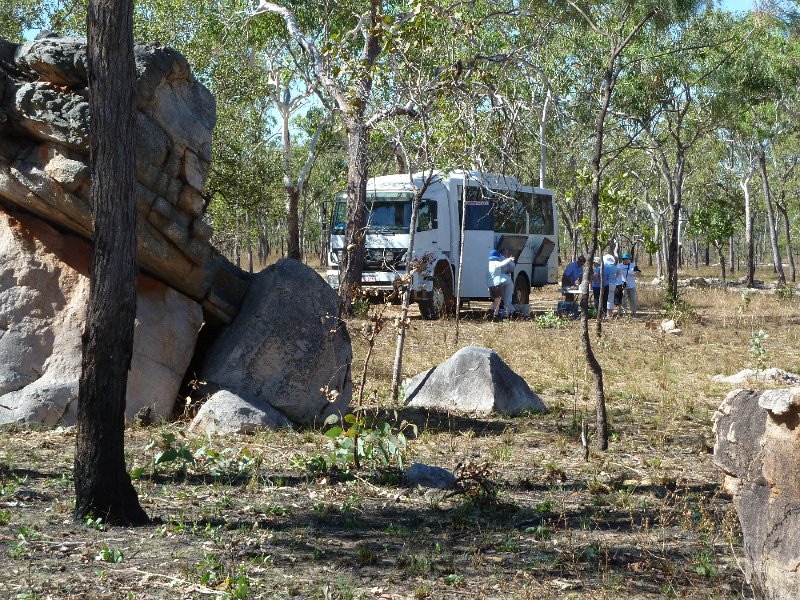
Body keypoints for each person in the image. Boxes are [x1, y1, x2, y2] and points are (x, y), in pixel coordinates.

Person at [488, 248, 515, 321]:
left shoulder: (488, 264)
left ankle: (490, 311)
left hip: (490, 285)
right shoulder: (495, 262)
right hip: (497, 284)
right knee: (498, 301)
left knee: (495, 300)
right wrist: (509, 259)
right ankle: (495, 316)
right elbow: (502, 264)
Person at [602, 254, 617, 318]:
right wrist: (614, 278)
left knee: (606, 299)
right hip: (613, 284)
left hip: (606, 284)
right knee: (611, 299)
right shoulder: (614, 266)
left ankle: (606, 314)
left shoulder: (605, 266)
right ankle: (610, 314)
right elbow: (618, 271)